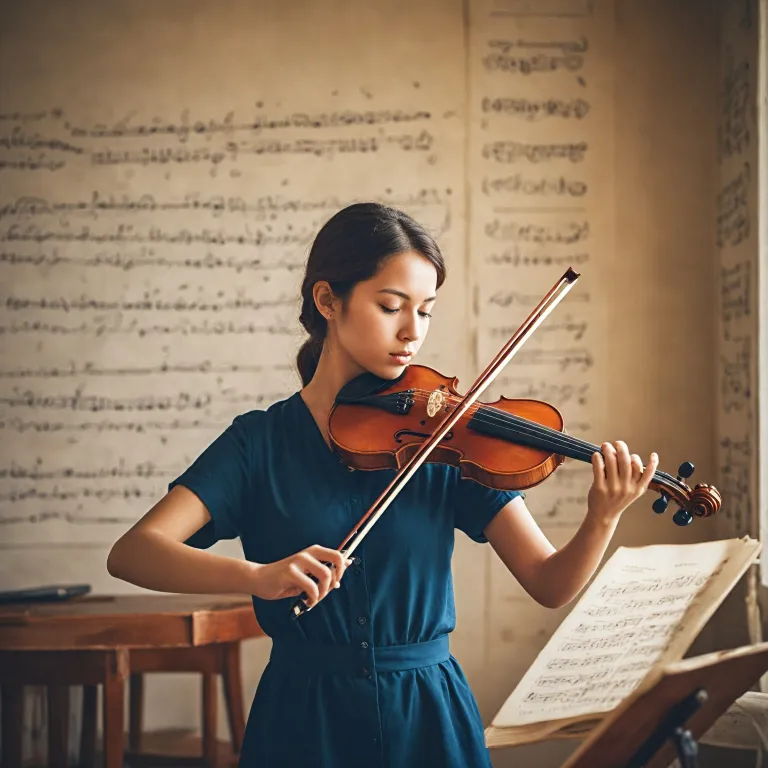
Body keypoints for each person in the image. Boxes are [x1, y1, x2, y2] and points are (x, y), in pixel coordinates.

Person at [107, 202, 658, 767]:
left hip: (427, 718)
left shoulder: (445, 434)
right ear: (327, 301)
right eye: (391, 306)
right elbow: (134, 554)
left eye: (425, 311)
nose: (412, 332)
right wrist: (258, 576)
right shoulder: (259, 443)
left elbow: (549, 582)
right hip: (302, 723)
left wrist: (603, 517)